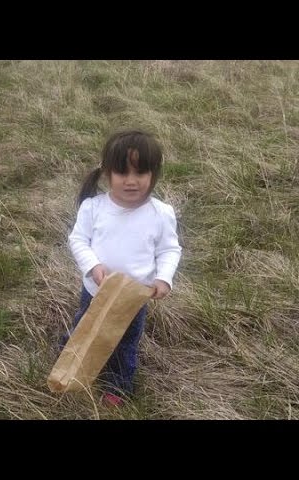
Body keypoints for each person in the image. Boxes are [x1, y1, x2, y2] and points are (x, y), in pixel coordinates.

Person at [63, 129, 182, 407]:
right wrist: (92, 266)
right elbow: (78, 239)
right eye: (122, 173)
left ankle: (118, 384)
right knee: (87, 327)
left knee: (125, 342)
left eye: (140, 173)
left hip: (134, 298)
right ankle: (73, 356)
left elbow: (169, 250)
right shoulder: (94, 208)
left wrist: (163, 279)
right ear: (107, 173)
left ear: (154, 174)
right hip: (96, 290)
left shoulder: (160, 214)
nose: (131, 182)